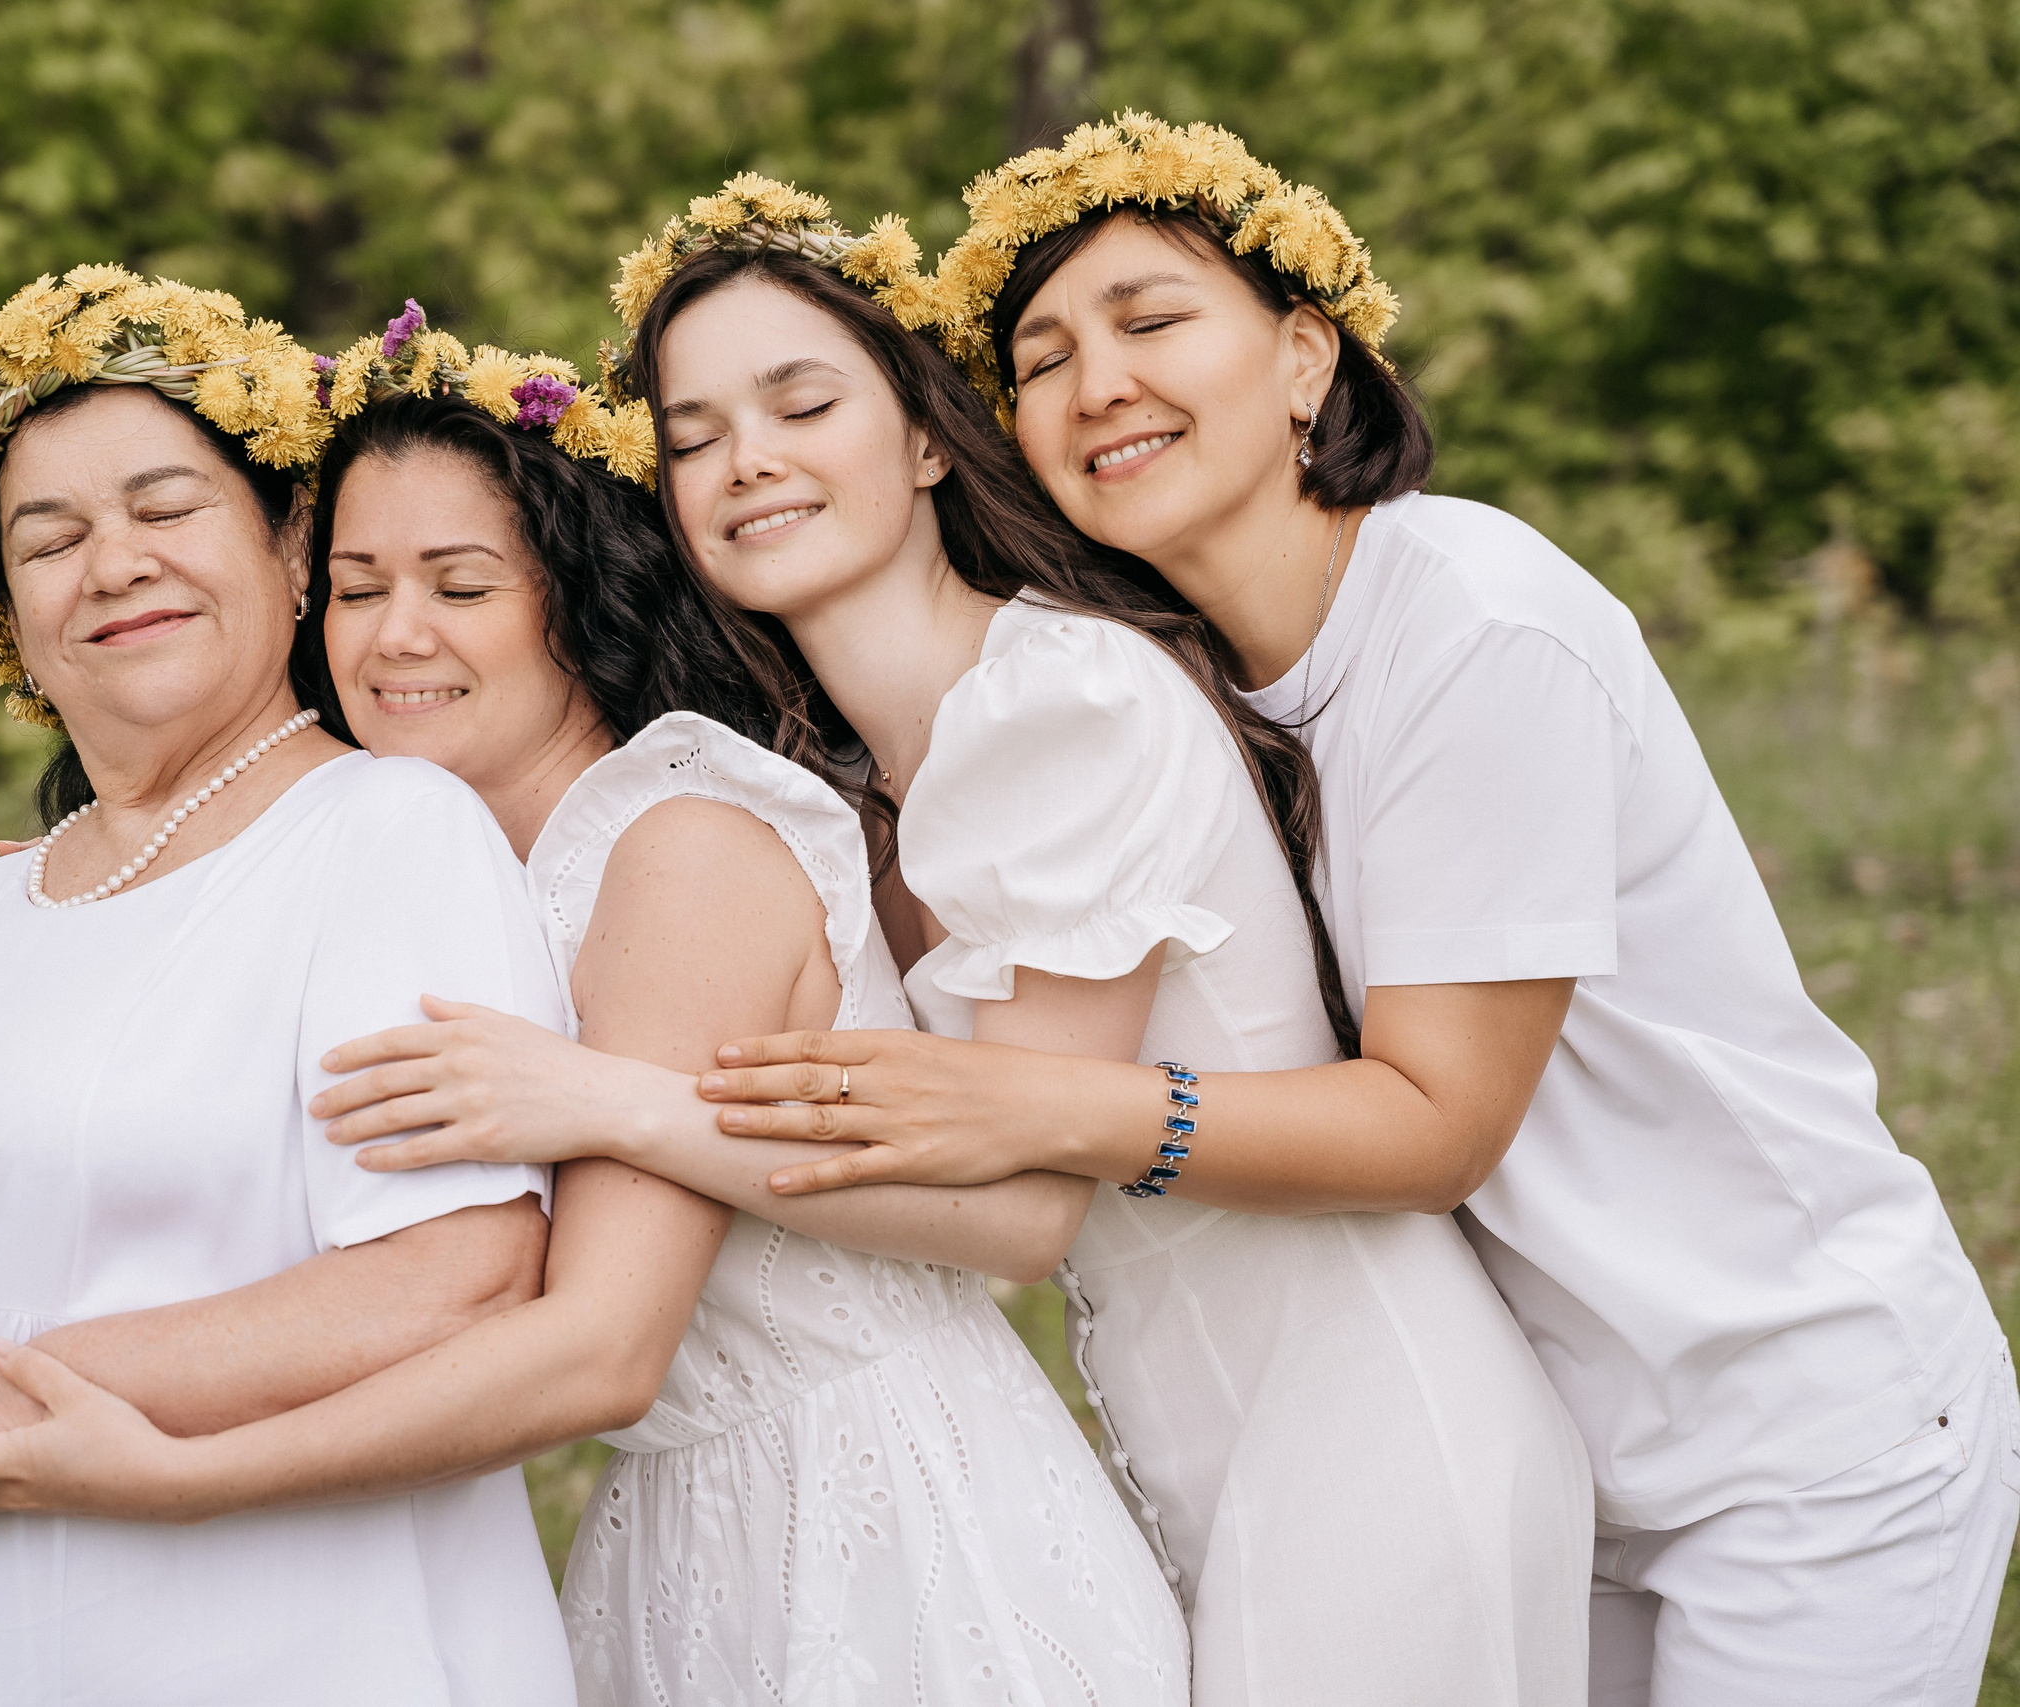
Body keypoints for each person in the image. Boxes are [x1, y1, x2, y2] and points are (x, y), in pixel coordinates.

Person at [693, 118, 2020, 1706]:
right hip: (1550, 1422)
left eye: (1153, 319)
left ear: (1307, 357)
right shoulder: (1174, 673)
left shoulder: (1474, 627)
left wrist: (1028, 1104)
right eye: (1040, 357)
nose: (1096, 381)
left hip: (1793, 1427)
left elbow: (1433, 1124)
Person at [307, 178, 1594, 1705]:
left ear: (924, 437)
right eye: (699, 433)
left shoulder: (1062, 702)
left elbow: (1023, 1215)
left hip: (1366, 1425)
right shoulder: (846, 774)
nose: (748, 461)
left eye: (800, 405)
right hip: (1182, 1430)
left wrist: (607, 1102)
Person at [0, 311, 1190, 1705]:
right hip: (678, 1518)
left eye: (463, 585)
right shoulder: (445, 868)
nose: (397, 636)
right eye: (360, 589)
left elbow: (598, 1350)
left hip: (883, 1533)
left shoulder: (677, 849)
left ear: (576, 595)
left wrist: (183, 1477)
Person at [0, 268, 579, 1706]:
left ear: (295, 550)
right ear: (8, 616)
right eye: (50, 539)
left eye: (166, 509)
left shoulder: (385, 831)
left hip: (255, 1637)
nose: (112, 563)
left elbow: (455, 1280)